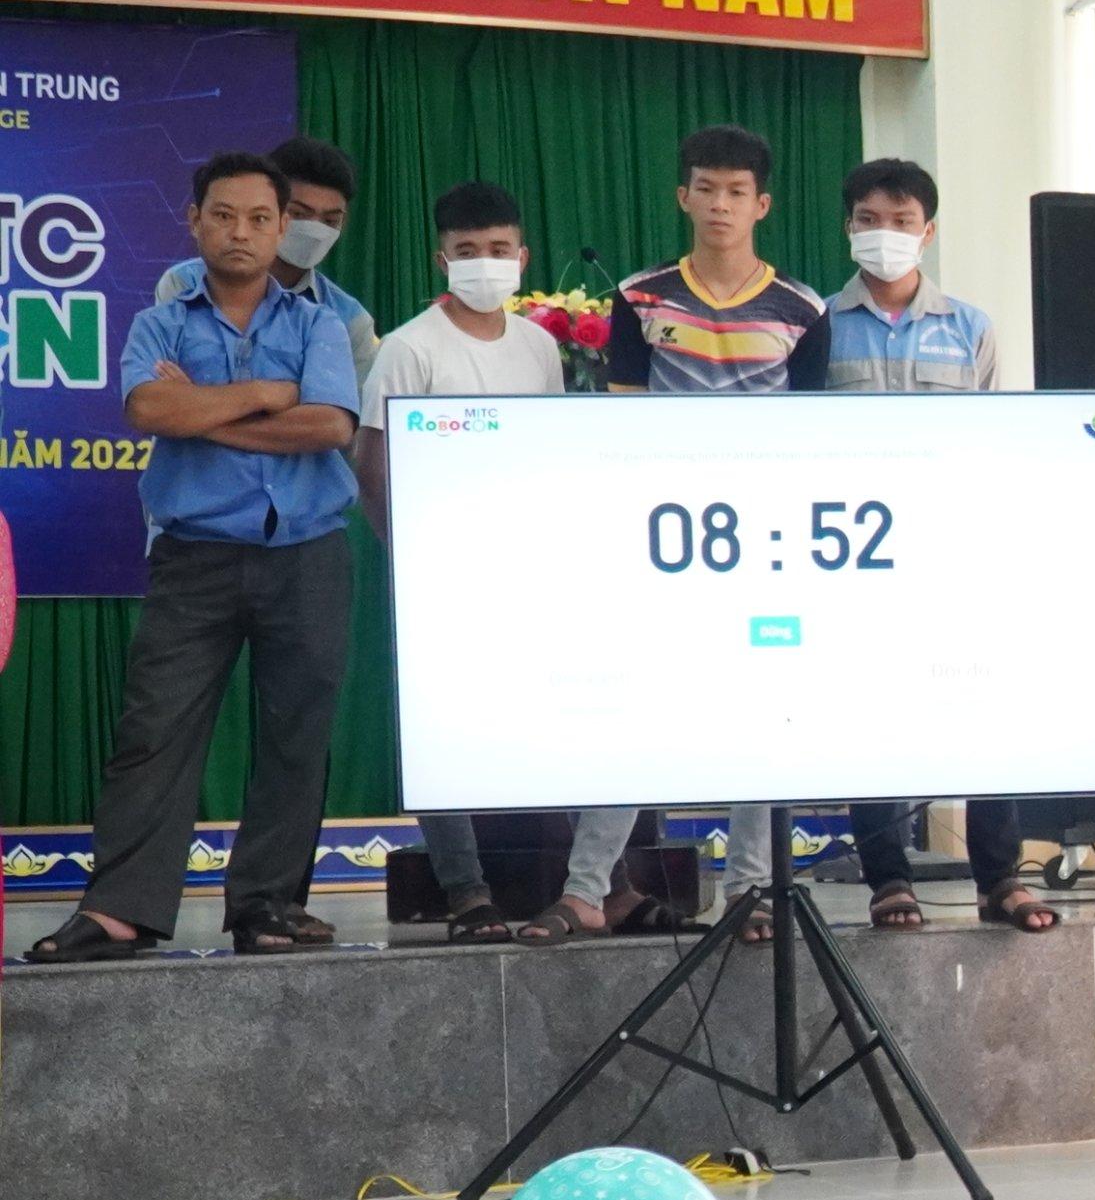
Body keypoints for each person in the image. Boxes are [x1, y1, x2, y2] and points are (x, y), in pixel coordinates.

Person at [26, 152, 365, 963]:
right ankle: (120, 912)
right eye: (223, 215)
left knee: (295, 735)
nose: (240, 232)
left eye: (259, 218)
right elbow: (149, 407)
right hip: (194, 556)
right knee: (155, 730)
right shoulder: (164, 318)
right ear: (195, 221)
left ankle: (268, 905)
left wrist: (204, 414)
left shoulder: (320, 323)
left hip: (307, 552)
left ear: (280, 227)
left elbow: (329, 426)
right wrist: (267, 394)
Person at [356, 180, 657, 945]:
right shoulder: (409, 348)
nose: (483, 263)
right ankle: (466, 892)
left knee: (570, 714)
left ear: (522, 259)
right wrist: (410, 556)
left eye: (497, 250)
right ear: (441, 261)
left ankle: (608, 887)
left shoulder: (537, 346)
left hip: (529, 567)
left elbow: (542, 450)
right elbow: (370, 462)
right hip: (438, 573)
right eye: (467, 251)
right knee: (441, 732)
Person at [606, 125, 834, 936]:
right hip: (662, 537)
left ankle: (750, 888)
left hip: (765, 542)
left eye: (736, 192)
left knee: (763, 710)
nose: (720, 205)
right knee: (631, 705)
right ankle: (586, 887)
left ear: (762, 204)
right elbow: (622, 425)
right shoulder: (639, 296)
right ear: (683, 196)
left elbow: (808, 437)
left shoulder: (804, 309)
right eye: (705, 188)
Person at [819, 156, 1052, 936]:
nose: (884, 234)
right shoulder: (818, 324)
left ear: (929, 231)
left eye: (901, 221)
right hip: (855, 554)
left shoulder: (970, 327)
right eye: (869, 220)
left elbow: (991, 438)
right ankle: (888, 876)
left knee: (983, 703)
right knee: (869, 711)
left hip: (954, 549)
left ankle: (1001, 876)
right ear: (848, 227)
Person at [155, 133, 377, 387]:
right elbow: (163, 399)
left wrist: (198, 397)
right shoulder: (184, 284)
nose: (315, 231)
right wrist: (284, 396)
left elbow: (340, 413)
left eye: (330, 220)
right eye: (299, 213)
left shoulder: (351, 320)